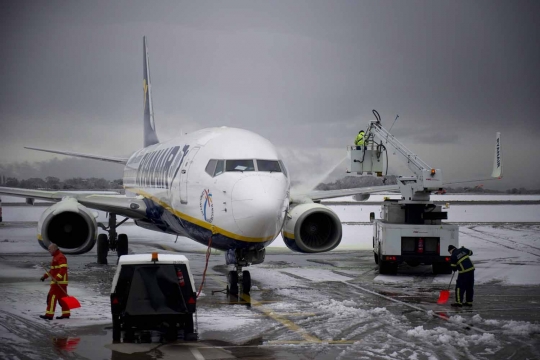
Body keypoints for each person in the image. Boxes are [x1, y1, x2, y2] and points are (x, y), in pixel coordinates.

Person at [39, 243, 71, 320]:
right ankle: (66, 313)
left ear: (54, 249)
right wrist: (45, 276)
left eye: (50, 249)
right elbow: (52, 271)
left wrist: (57, 278)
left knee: (52, 297)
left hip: (58, 282)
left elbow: (63, 269)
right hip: (61, 282)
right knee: (63, 298)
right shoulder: (56, 257)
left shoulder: (60, 257)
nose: (49, 251)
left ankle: (49, 315)